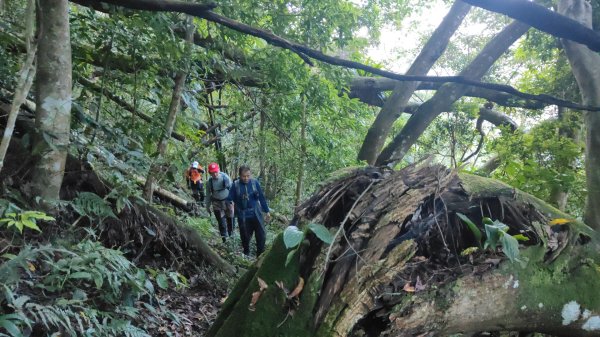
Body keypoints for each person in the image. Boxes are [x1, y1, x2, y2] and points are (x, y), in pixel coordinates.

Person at [228, 165, 271, 257]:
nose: (246, 178)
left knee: (261, 235)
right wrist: (230, 204)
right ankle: (246, 253)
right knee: (245, 236)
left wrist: (267, 211)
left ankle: (259, 255)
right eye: (244, 176)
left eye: (248, 176)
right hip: (243, 215)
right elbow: (229, 198)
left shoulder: (255, 183)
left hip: (256, 212)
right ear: (240, 175)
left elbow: (262, 198)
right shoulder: (235, 185)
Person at [206, 162, 235, 243]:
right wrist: (207, 206)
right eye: (212, 172)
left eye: (216, 171)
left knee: (230, 220)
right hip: (217, 203)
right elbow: (208, 195)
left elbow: (232, 189)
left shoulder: (225, 177)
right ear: (210, 173)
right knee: (221, 222)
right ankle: (224, 239)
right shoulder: (209, 182)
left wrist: (234, 201)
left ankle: (231, 237)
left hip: (227, 201)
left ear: (218, 170)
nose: (215, 174)